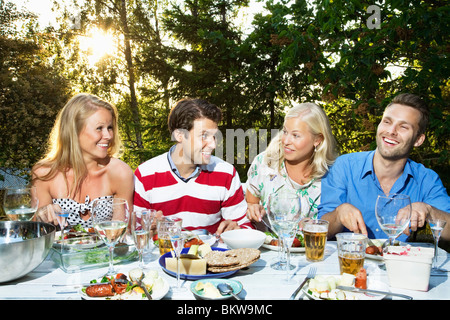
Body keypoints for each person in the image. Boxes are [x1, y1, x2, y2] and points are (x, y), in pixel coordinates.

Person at [318, 93, 450, 243]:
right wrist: (338, 214)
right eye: (387, 122)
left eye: (403, 127)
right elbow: (322, 230)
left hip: (399, 263)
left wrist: (429, 211)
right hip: (349, 262)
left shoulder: (427, 179)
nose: (391, 131)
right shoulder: (344, 167)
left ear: (418, 140)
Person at [133, 98, 252, 235]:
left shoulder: (226, 173)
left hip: (212, 255)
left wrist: (237, 230)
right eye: (204, 136)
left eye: (214, 136)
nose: (213, 145)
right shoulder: (145, 174)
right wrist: (148, 231)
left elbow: (246, 227)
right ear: (179, 135)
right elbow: (136, 234)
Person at [31, 93, 134, 228]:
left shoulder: (120, 172)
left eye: (110, 128)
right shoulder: (44, 174)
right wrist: (41, 215)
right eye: (99, 128)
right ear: (74, 131)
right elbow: (37, 234)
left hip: (107, 248)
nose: (108, 136)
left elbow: (123, 233)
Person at [246, 102, 339, 229]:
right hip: (266, 247)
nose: (286, 141)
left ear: (318, 140)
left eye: (296, 135)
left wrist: (315, 225)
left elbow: (334, 223)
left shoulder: (332, 176)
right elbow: (250, 203)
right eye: (285, 132)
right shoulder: (264, 163)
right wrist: (253, 208)